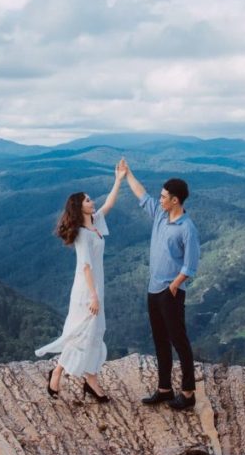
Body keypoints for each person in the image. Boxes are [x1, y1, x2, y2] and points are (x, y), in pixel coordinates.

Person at [35, 161, 126, 402]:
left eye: (90, 199)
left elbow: (108, 204)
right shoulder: (82, 235)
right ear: (79, 207)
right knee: (83, 333)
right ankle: (57, 373)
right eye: (87, 200)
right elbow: (85, 266)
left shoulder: (94, 223)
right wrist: (94, 296)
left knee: (96, 331)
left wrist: (118, 179)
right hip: (87, 290)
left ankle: (90, 378)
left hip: (97, 286)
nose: (91, 201)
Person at [122, 158, 200, 411]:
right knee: (160, 340)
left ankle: (188, 393)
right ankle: (164, 389)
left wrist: (175, 285)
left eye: (164, 196)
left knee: (179, 341)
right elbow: (141, 195)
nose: (160, 199)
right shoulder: (160, 215)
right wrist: (128, 173)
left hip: (170, 292)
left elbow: (191, 264)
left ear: (175, 200)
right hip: (153, 289)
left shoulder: (187, 228)